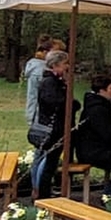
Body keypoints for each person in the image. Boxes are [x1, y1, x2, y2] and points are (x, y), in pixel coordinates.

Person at [31, 49, 73, 200]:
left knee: (49, 161)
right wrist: (71, 103)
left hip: (55, 128)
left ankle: (43, 190)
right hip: (52, 129)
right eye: (64, 64)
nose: (67, 67)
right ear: (55, 65)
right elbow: (54, 102)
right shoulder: (49, 82)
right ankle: (42, 193)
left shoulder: (56, 82)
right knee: (48, 161)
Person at [24, 34, 53, 126]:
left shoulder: (32, 63)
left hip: (33, 76)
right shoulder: (44, 65)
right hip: (40, 76)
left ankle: (31, 119)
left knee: (32, 97)